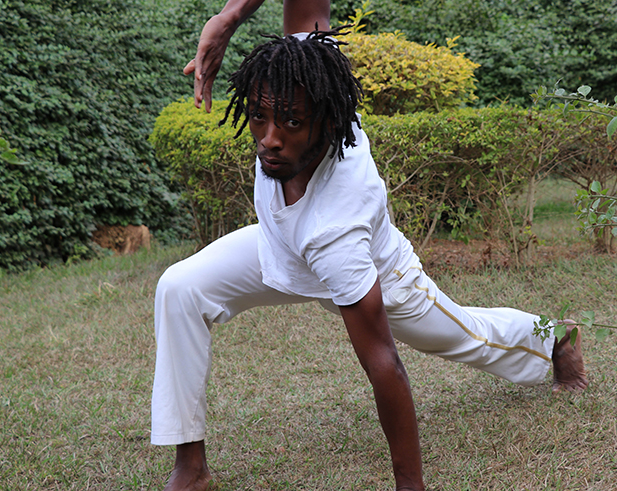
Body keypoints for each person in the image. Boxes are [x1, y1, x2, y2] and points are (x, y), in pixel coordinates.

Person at [154, 4, 588, 491]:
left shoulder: (338, 225)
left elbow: (383, 364)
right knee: (180, 288)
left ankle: (554, 338)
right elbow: (309, 7)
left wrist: (409, 483)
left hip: (377, 271)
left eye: (291, 124)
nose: (269, 140)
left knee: (465, 337)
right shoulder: (301, 73)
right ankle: (190, 468)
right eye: (259, 118)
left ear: (327, 118)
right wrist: (229, 18)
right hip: (282, 248)